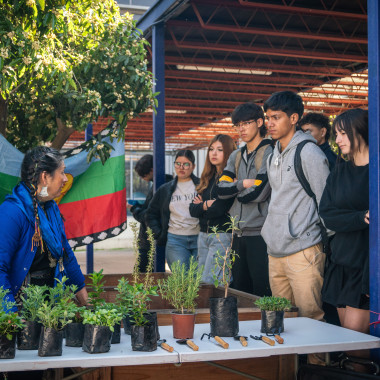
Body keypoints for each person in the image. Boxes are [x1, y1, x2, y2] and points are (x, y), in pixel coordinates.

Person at [261, 91, 330, 325]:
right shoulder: (272, 155)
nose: (270, 123)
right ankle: (290, 364)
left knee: (310, 317)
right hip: (275, 249)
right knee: (282, 319)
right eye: (268, 117)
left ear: (293, 119)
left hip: (304, 249)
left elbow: (325, 201)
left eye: (276, 117)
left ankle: (318, 364)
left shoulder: (309, 152)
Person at [0, 146, 88, 308]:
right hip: (22, 307)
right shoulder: (11, 213)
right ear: (45, 177)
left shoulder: (51, 208)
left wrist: (86, 301)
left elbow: (65, 253)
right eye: (61, 172)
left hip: (50, 305)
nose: (65, 179)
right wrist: (11, 316)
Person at [319, 109, 369, 336]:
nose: (337, 140)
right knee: (347, 339)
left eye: (343, 133)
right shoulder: (338, 172)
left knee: (355, 338)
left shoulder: (375, 171)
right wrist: (361, 218)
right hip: (341, 261)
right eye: (335, 134)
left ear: (361, 131)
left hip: (366, 264)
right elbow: (327, 214)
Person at [217, 103, 273, 296]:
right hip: (237, 234)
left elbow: (259, 193)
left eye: (246, 123)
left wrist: (236, 186)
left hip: (261, 234)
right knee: (240, 293)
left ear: (259, 122)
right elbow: (220, 191)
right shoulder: (236, 155)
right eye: (238, 124)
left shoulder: (270, 152)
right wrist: (243, 184)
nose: (242, 129)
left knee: (262, 292)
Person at [189, 135, 236, 283]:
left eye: (220, 150)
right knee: (202, 282)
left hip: (221, 235)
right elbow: (192, 209)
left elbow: (219, 209)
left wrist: (202, 206)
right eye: (211, 149)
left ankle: (218, 307)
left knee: (214, 281)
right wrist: (205, 205)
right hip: (203, 235)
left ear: (228, 152)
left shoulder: (230, 178)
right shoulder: (207, 178)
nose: (213, 153)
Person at [146, 150, 199, 270]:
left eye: (186, 164)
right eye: (178, 163)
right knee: (180, 278)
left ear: (193, 166)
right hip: (175, 240)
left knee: (199, 280)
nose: (181, 167)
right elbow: (150, 214)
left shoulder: (202, 186)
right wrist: (159, 234)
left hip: (199, 239)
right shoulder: (165, 189)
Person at [127, 154, 172, 272]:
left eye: (143, 175)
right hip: (155, 238)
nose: (142, 178)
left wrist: (134, 209)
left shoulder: (160, 186)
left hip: (152, 239)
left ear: (152, 170)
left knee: (142, 275)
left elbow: (148, 215)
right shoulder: (164, 184)